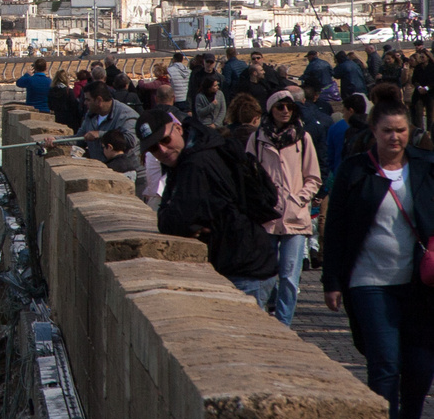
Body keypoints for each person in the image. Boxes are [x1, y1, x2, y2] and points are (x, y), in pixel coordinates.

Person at [322, 98, 434, 419]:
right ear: (374, 131)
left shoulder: (426, 167)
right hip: (369, 281)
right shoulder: (356, 170)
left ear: (410, 131)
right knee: (385, 365)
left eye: (401, 131)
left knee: (420, 367)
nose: (395, 138)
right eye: (387, 131)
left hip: (419, 283)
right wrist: (331, 280)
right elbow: (337, 227)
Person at [139, 107, 281, 304]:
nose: (162, 150)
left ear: (178, 129)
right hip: (241, 261)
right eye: (154, 148)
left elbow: (173, 222)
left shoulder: (196, 163)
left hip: (245, 267)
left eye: (165, 140)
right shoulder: (193, 150)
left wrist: (183, 220)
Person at [246, 91, 323, 325]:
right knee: (265, 275)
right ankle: (261, 321)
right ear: (271, 109)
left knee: (290, 277)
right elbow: (247, 174)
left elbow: (313, 176)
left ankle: (284, 324)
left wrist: (300, 198)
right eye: (280, 107)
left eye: (289, 106)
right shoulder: (258, 138)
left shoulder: (303, 138)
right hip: (267, 217)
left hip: (295, 217)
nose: (285, 111)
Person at [329, 93, 374, 178]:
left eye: (344, 111)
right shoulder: (374, 127)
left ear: (350, 111)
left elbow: (331, 156)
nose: (343, 115)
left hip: (345, 176)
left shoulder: (342, 129)